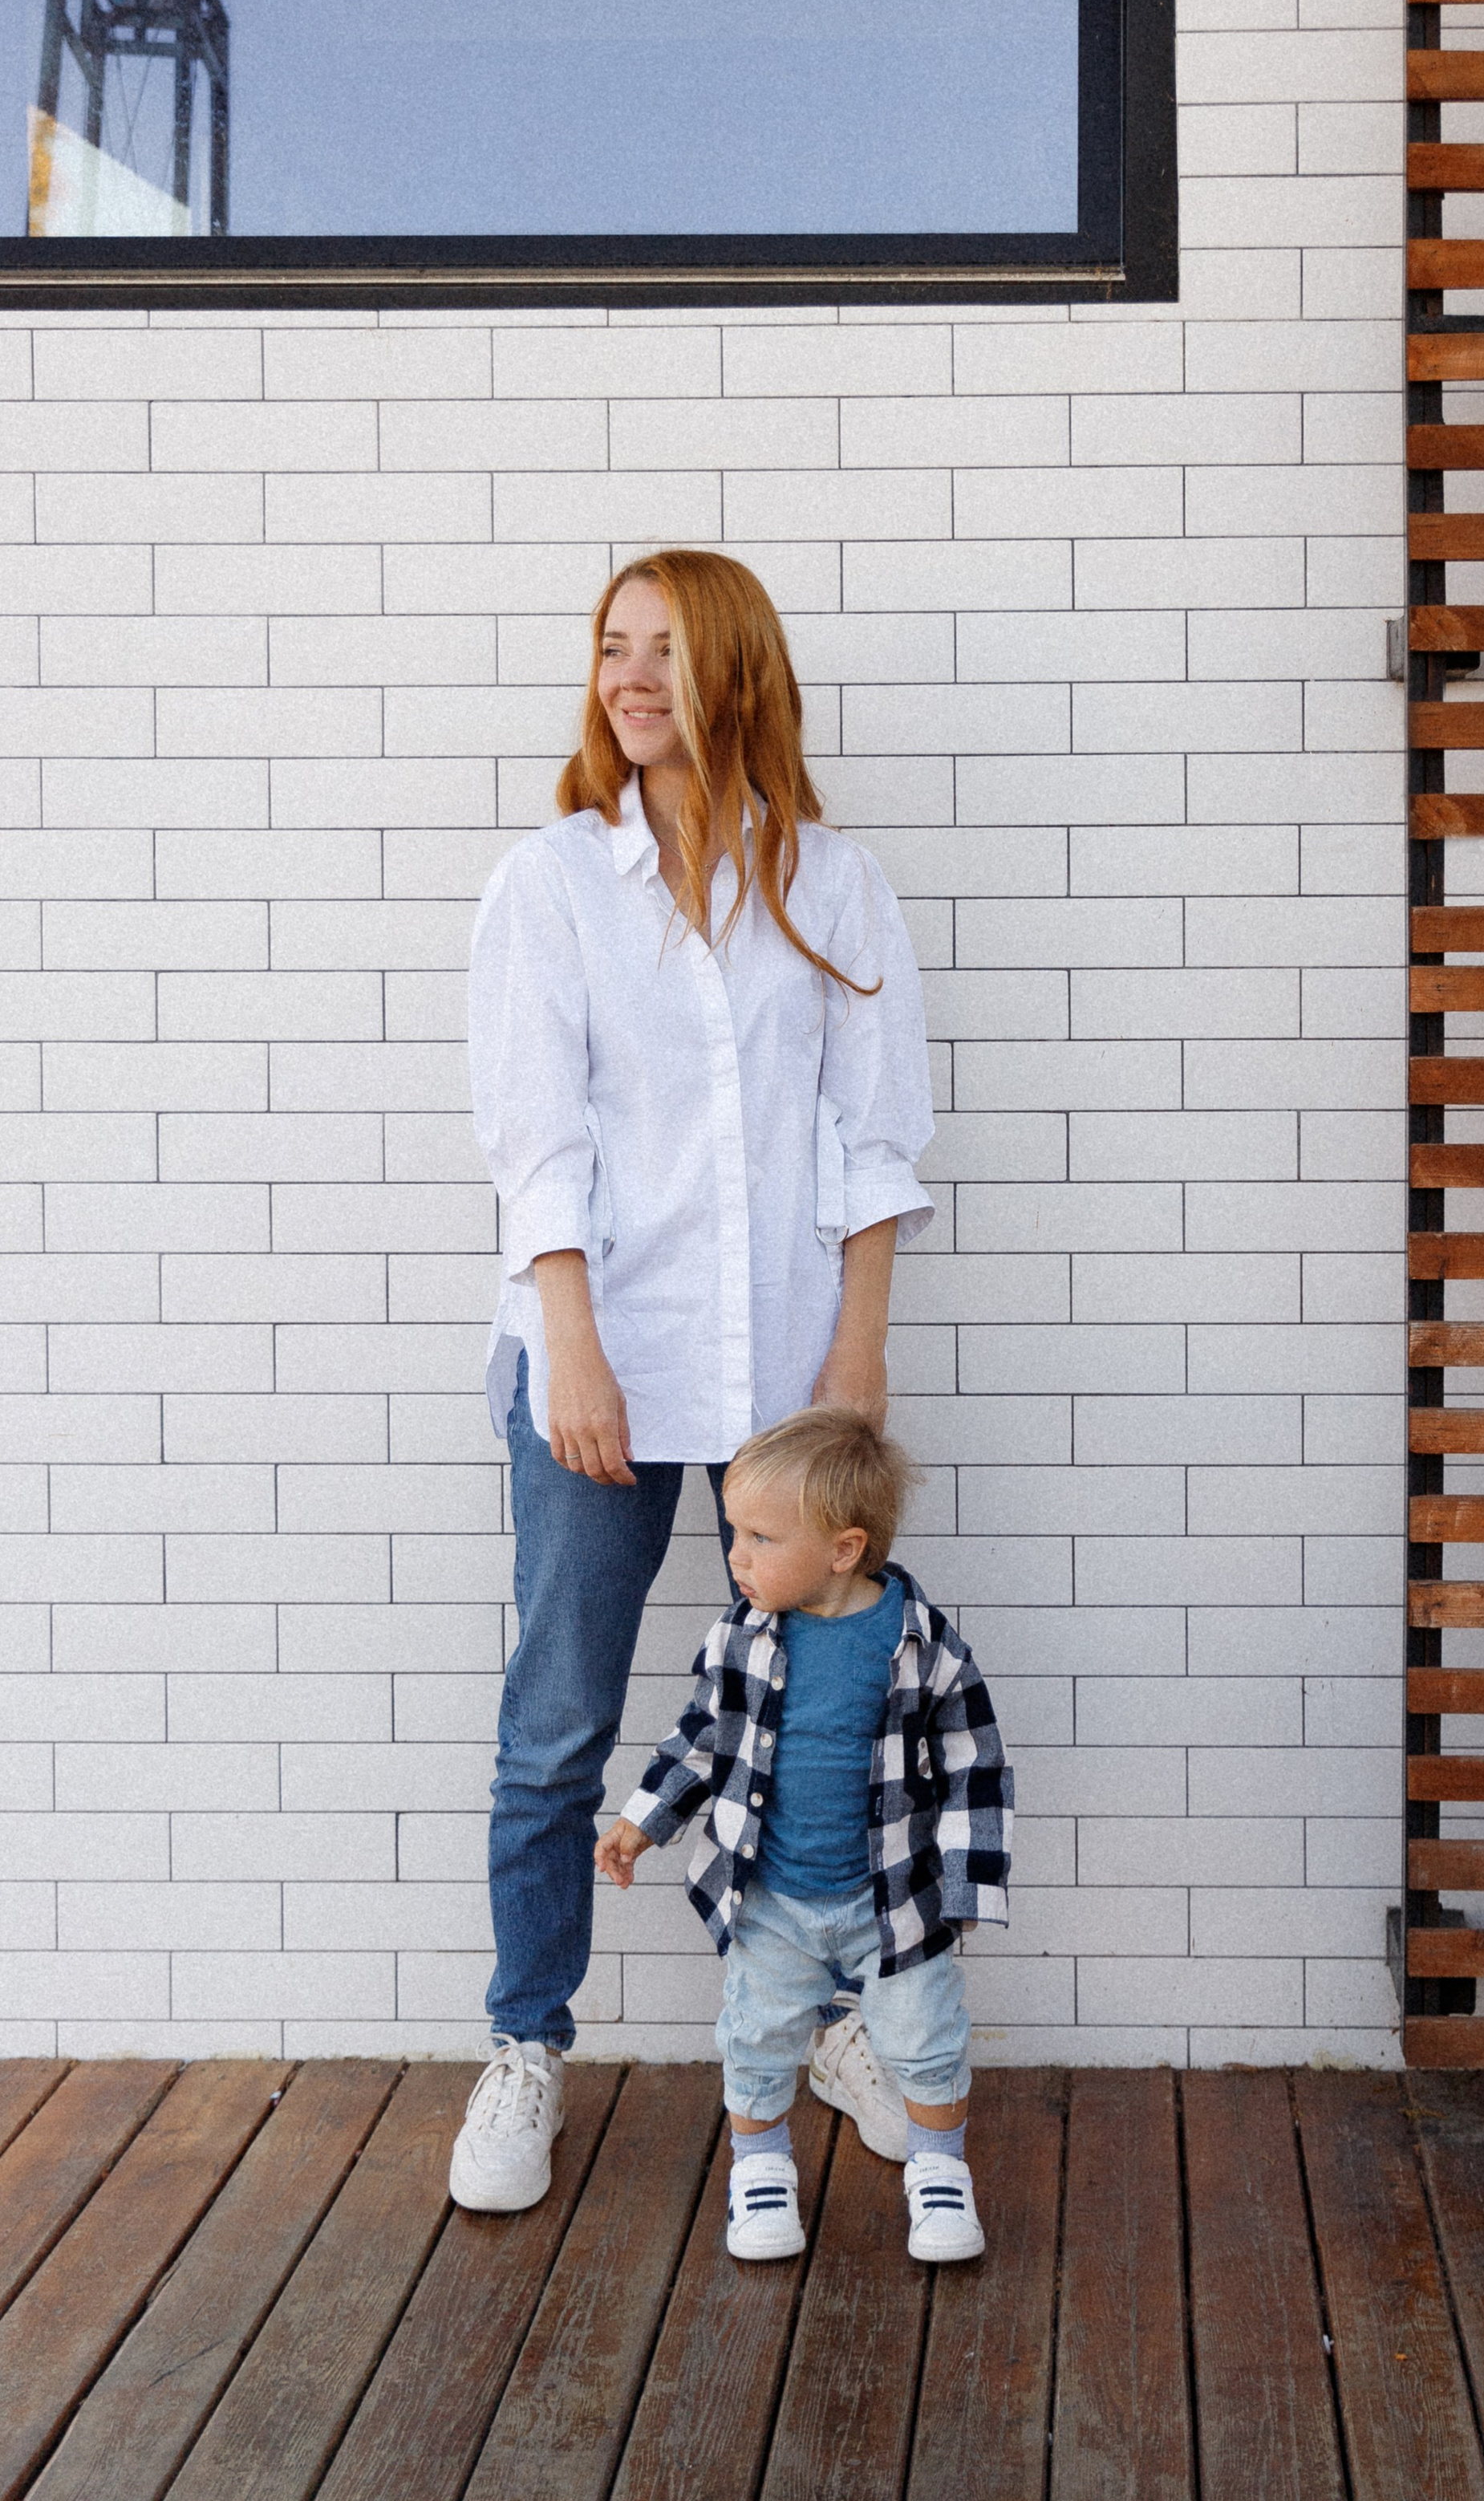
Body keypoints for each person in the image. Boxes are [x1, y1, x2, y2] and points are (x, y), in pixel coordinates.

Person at [452, 550, 935, 2215]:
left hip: (784, 1362)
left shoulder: (832, 883)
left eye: (660, 647)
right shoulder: (550, 886)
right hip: (597, 1354)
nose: (627, 676)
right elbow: (540, 1139)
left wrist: (855, 1351)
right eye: (609, 647)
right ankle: (526, 2045)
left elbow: (874, 1141)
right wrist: (568, 1340)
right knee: (559, 1725)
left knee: (816, 1720)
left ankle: (821, 2020)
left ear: (732, 667)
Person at [595, 1405, 1012, 2263]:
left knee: (927, 2042)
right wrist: (643, 1820)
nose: (737, 1557)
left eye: (759, 1538)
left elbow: (976, 1766)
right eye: (733, 1534)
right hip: (772, 1897)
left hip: (894, 1900)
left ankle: (939, 2175)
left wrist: (964, 1891)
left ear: (843, 1549)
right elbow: (703, 1736)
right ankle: (760, 2172)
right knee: (755, 2036)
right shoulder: (741, 1638)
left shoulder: (920, 1647)